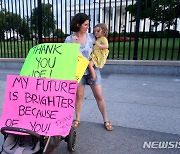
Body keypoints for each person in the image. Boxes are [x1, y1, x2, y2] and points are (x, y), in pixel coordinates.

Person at [64, 13, 113, 131]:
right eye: (85, 24)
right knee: (79, 96)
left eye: (88, 24)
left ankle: (106, 119)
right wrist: (72, 44)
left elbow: (103, 46)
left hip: (93, 71)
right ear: (78, 25)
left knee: (99, 96)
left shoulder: (92, 37)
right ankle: (77, 118)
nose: (88, 26)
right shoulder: (69, 39)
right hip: (78, 73)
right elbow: (66, 56)